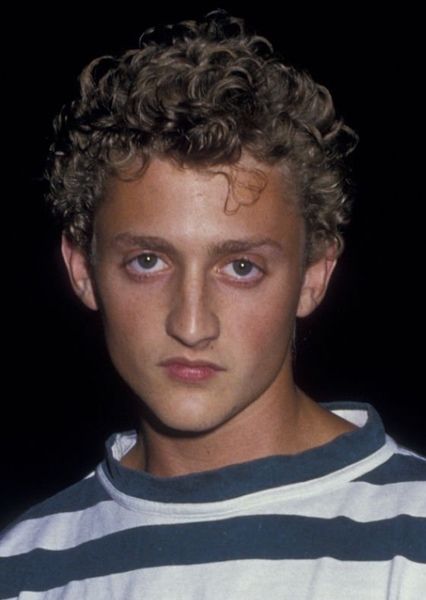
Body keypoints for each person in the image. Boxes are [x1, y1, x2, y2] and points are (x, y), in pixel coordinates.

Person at [0, 8, 425, 599]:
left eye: (241, 267)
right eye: (148, 261)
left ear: (313, 276)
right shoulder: (22, 569)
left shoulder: (414, 543)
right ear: (82, 270)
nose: (191, 324)